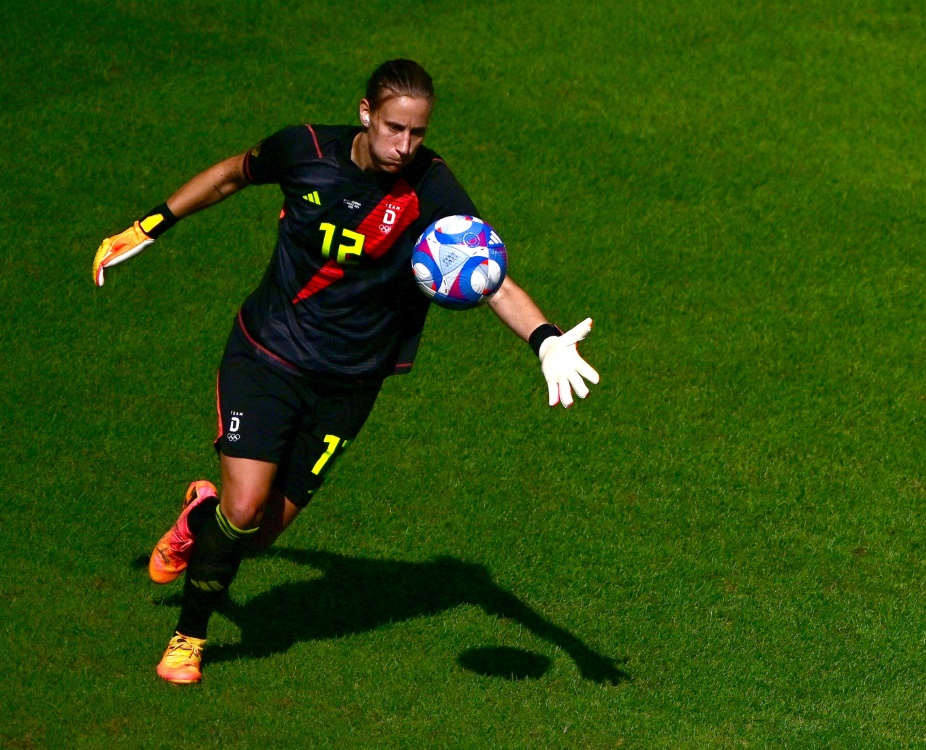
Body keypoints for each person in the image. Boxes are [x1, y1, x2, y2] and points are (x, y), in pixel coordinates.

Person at [93, 59, 600, 685]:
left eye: (416, 133)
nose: (404, 146)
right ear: (366, 113)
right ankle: (189, 637)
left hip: (350, 384)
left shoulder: (431, 187)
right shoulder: (303, 151)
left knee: (256, 533)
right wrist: (149, 225)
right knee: (246, 506)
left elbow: (488, 279)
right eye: (393, 129)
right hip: (267, 355)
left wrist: (546, 341)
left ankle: (198, 517)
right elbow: (230, 177)